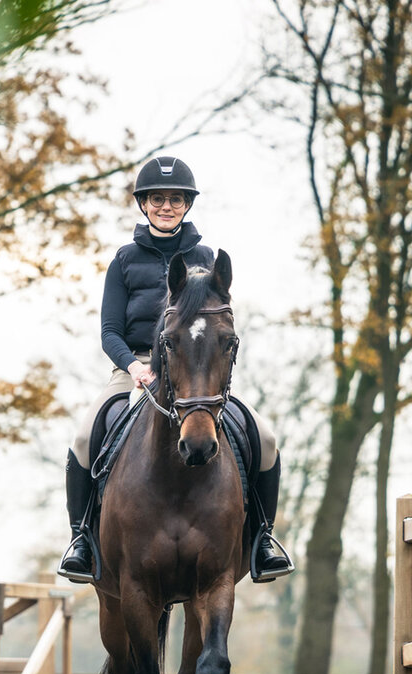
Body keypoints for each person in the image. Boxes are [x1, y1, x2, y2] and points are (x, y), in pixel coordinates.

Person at [58, 155, 293, 584]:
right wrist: (134, 367)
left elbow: (217, 322)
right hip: (136, 369)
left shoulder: (205, 256)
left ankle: (262, 537)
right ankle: (81, 540)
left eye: (176, 199)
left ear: (187, 205)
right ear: (143, 204)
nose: (166, 206)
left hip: (196, 371)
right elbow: (109, 331)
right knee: (82, 438)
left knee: (267, 439)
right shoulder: (125, 260)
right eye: (158, 199)